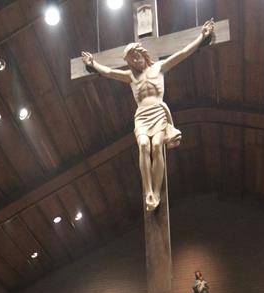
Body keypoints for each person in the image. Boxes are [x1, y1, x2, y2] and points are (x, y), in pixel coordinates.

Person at [82, 19, 214, 212]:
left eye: (137, 55)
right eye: (132, 58)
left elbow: (183, 53)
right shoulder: (130, 76)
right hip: (142, 116)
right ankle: (148, 191)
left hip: (159, 112)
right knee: (144, 145)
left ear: (143, 54)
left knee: (157, 145)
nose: (136, 60)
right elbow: (109, 72)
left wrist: (202, 36)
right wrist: (93, 63)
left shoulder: (158, 67)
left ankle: (157, 191)